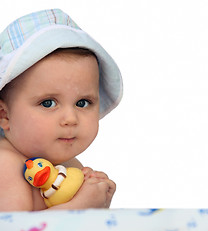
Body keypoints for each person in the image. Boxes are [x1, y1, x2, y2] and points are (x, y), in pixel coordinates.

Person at [0, 9, 123, 211]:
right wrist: (81, 205)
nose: (70, 118)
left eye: (82, 103)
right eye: (48, 103)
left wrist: (98, 204)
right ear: (4, 115)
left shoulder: (68, 164)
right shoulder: (5, 165)